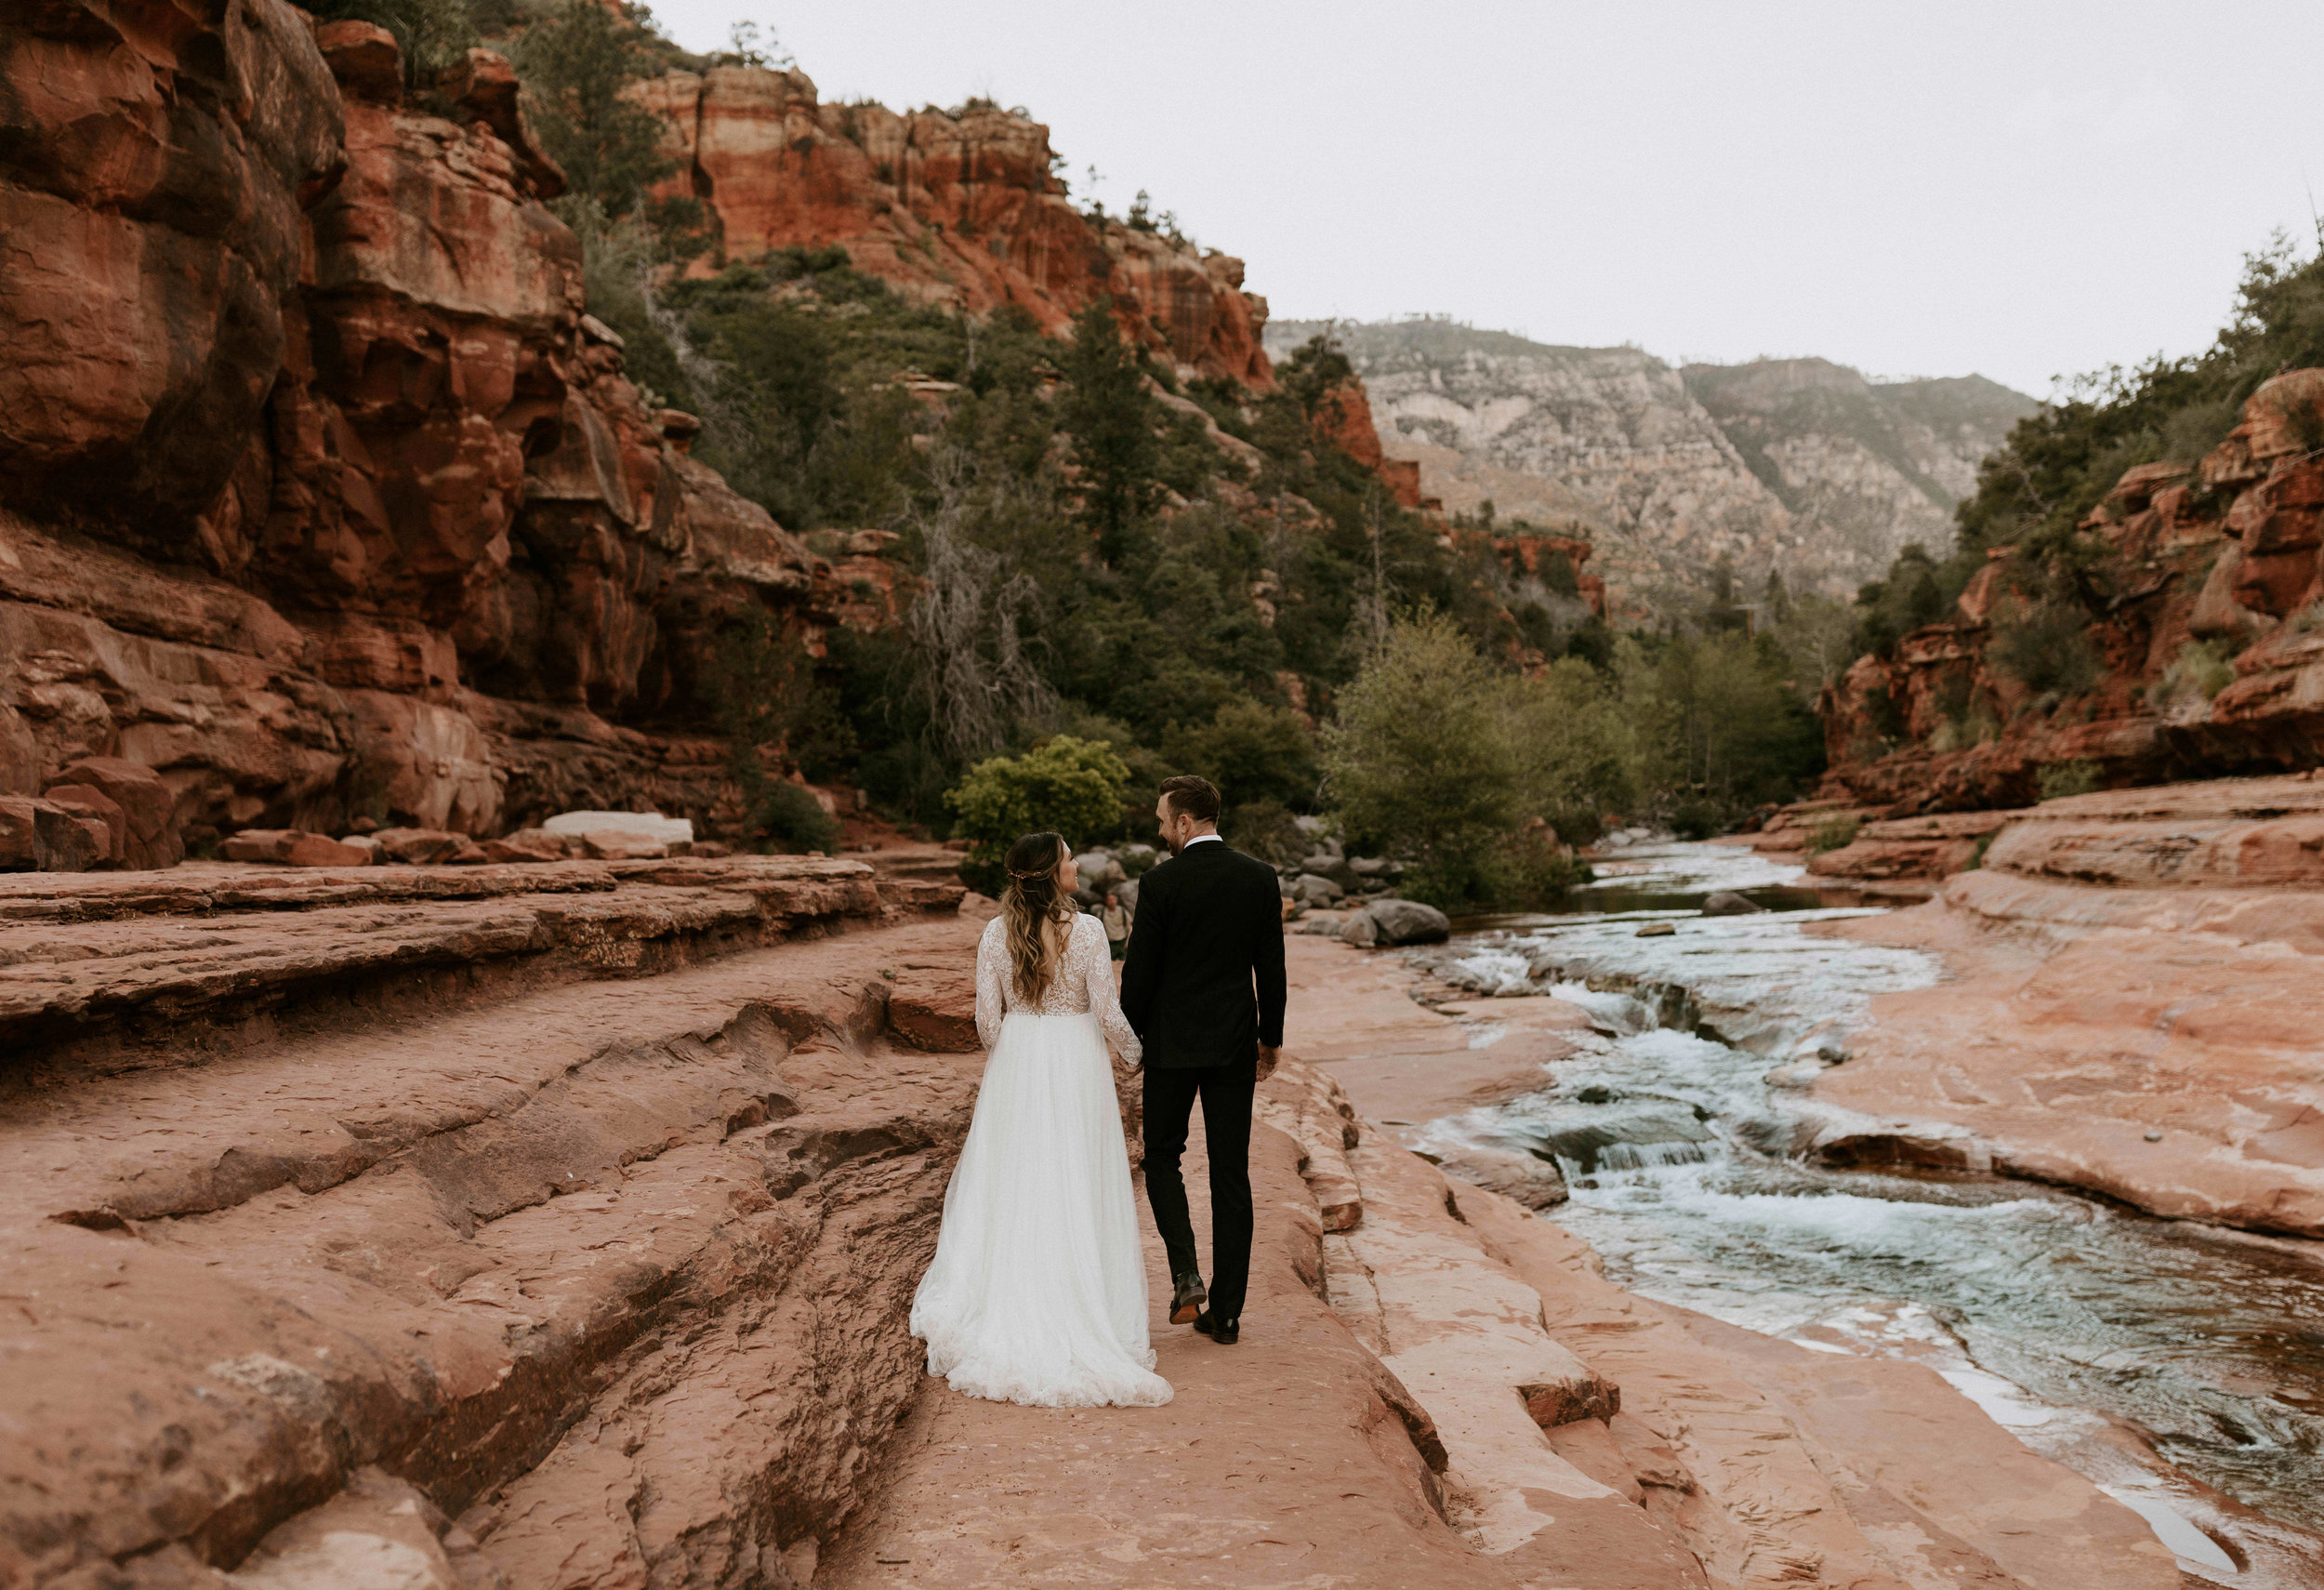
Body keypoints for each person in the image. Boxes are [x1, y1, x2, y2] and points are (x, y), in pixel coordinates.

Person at [908, 831, 1170, 1408]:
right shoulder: (1092, 931)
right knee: (1077, 1174)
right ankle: (1081, 1303)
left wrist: (1015, 1062)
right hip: (1077, 1060)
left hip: (1020, 1059)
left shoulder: (994, 933)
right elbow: (1105, 1010)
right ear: (1053, 872)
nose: (1078, 864)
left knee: (1019, 1181)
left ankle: (1012, 1296)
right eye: (1070, 857)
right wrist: (1138, 1055)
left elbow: (986, 1020)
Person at [1119, 775, 1287, 1346]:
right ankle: (1228, 1312)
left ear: (1185, 823)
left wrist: (1130, 1039)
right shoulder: (1259, 878)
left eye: (1164, 821)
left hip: (1170, 1045)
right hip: (1234, 1043)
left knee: (1162, 1156)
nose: (1161, 830)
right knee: (1230, 1172)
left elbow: (1140, 973)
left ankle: (1186, 1272)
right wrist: (1271, 1038)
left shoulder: (1161, 882)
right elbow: (1272, 967)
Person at [1101, 890, 1131, 961]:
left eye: (1113, 899)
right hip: (1109, 943)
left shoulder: (1122, 911)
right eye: (1109, 900)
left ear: (1116, 900)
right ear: (1106, 901)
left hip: (1122, 942)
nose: (1111, 902)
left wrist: (1128, 941)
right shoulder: (1102, 913)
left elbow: (1129, 927)